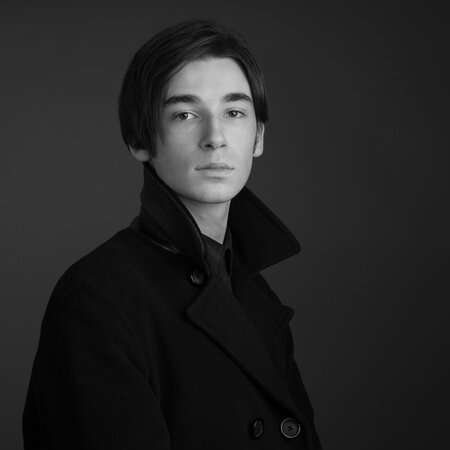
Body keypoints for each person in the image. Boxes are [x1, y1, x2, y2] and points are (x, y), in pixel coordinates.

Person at [23, 19, 322, 449]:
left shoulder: (253, 292)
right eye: (185, 114)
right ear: (139, 139)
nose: (215, 138)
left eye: (234, 113)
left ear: (258, 137)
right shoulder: (96, 298)